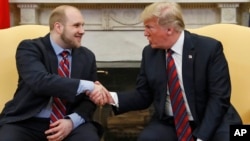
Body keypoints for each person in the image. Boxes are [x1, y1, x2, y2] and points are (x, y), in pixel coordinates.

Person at [89, 2, 242, 141]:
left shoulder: (209, 49)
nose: (145, 33)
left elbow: (219, 98)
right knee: (147, 139)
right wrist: (110, 97)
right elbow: (143, 95)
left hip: (214, 120)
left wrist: (201, 138)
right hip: (171, 123)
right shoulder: (150, 53)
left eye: (149, 27)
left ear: (169, 29)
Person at [0, 5, 106, 141]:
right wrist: (89, 86)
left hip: (69, 122)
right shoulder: (30, 48)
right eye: (76, 25)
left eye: (82, 25)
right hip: (27, 121)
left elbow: (88, 100)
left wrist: (72, 121)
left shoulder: (87, 56)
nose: (82, 31)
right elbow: (40, 81)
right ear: (58, 27)